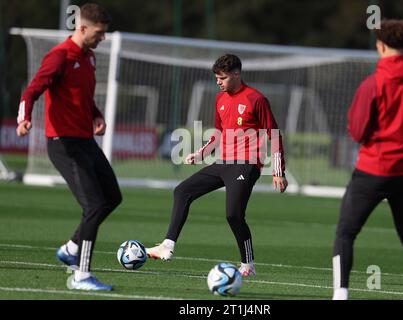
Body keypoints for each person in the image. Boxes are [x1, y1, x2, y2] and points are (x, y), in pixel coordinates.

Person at [332, 19, 403, 300]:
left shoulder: (373, 83)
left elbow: (358, 131)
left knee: (345, 233)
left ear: (381, 46)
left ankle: (341, 294)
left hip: (372, 170)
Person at [147, 54, 288, 276]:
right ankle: (167, 245)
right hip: (223, 162)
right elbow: (218, 134)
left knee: (233, 214)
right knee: (182, 191)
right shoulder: (220, 99)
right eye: (216, 78)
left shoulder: (256, 99)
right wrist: (200, 153)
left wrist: (278, 172)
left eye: (222, 78)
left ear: (236, 74)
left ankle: (248, 264)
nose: (218, 82)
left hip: (246, 164)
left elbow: (275, 135)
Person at [16, 3, 122, 291]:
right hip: (63, 143)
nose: (102, 38)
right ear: (83, 28)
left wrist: (96, 115)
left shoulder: (89, 58)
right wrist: (24, 118)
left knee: (112, 196)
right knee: (94, 204)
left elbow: (84, 97)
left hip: (85, 141)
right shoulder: (59, 56)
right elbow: (32, 90)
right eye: (99, 33)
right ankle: (81, 276)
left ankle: (72, 247)